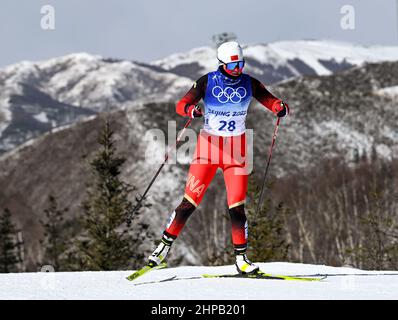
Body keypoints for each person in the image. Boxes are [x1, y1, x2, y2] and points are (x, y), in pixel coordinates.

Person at [148, 41, 289, 274]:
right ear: (222, 64)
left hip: (236, 151)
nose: (237, 70)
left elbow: (269, 99)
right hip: (208, 150)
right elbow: (181, 104)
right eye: (233, 65)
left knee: (237, 207)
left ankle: (241, 260)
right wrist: (190, 110)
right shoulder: (207, 82)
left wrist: (279, 106)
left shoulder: (249, 82)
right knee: (189, 203)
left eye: (240, 64)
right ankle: (162, 249)